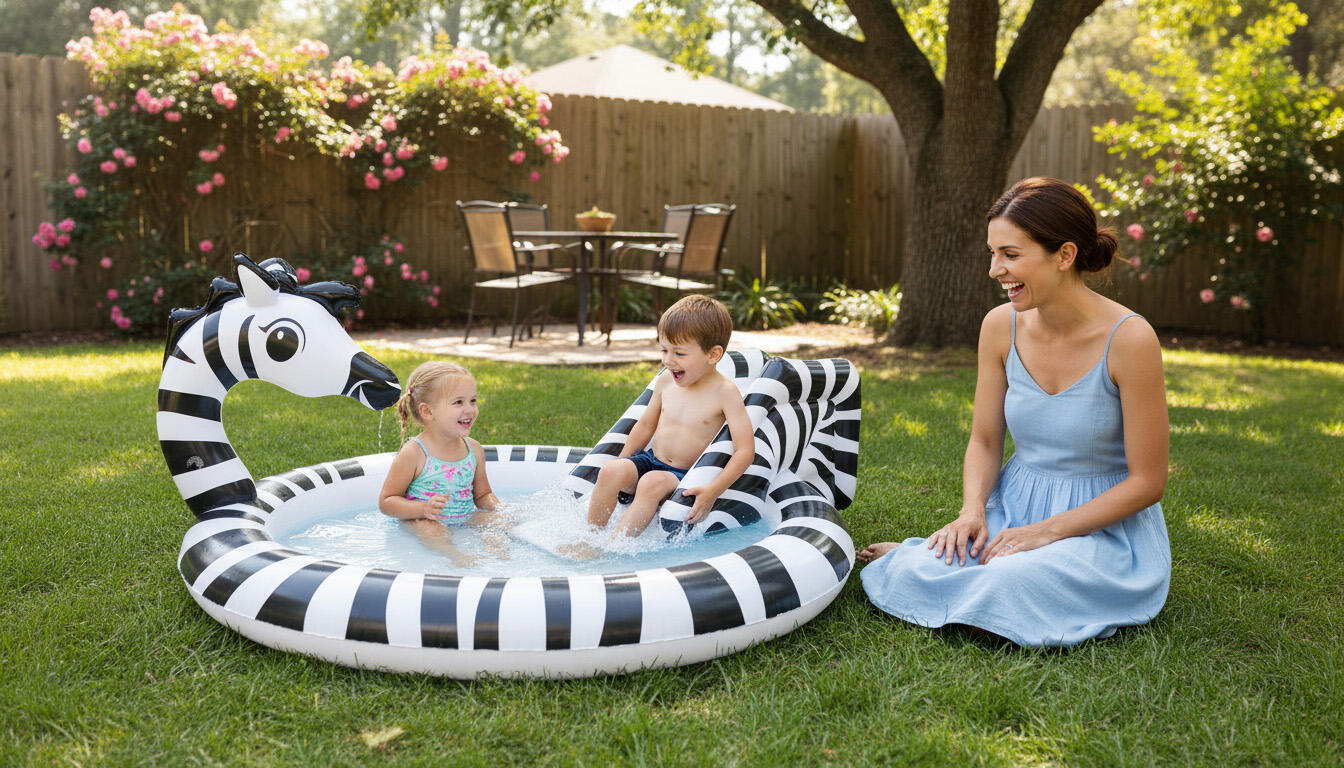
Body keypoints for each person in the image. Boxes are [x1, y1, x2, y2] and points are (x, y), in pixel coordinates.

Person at [857, 177, 1171, 647]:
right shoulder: (999, 327)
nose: (994, 270)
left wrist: (1045, 533)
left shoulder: (1130, 339)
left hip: (1103, 529)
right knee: (951, 564)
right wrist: (971, 512)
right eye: (992, 253)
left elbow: (1148, 482)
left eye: (1010, 254)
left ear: (1064, 256)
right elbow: (985, 439)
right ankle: (924, 560)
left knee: (1011, 580)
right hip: (1017, 504)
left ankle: (937, 570)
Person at [571, 295, 755, 554]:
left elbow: (745, 450)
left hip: (682, 475)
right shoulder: (666, 382)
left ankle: (612, 550)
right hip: (650, 460)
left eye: (679, 353)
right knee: (610, 471)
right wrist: (623, 463)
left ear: (713, 355)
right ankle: (588, 538)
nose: (668, 361)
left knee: (651, 483)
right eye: (664, 350)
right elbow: (645, 425)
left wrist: (712, 490)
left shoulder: (724, 392)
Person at [378, 360, 505, 567]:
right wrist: (423, 509)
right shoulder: (415, 453)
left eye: (473, 401)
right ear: (428, 412)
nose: (470, 409)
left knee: (502, 522)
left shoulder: (473, 449)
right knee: (432, 530)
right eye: (458, 402)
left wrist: (500, 510)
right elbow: (387, 501)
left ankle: (500, 554)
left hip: (463, 516)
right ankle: (454, 556)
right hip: (424, 519)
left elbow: (482, 496)